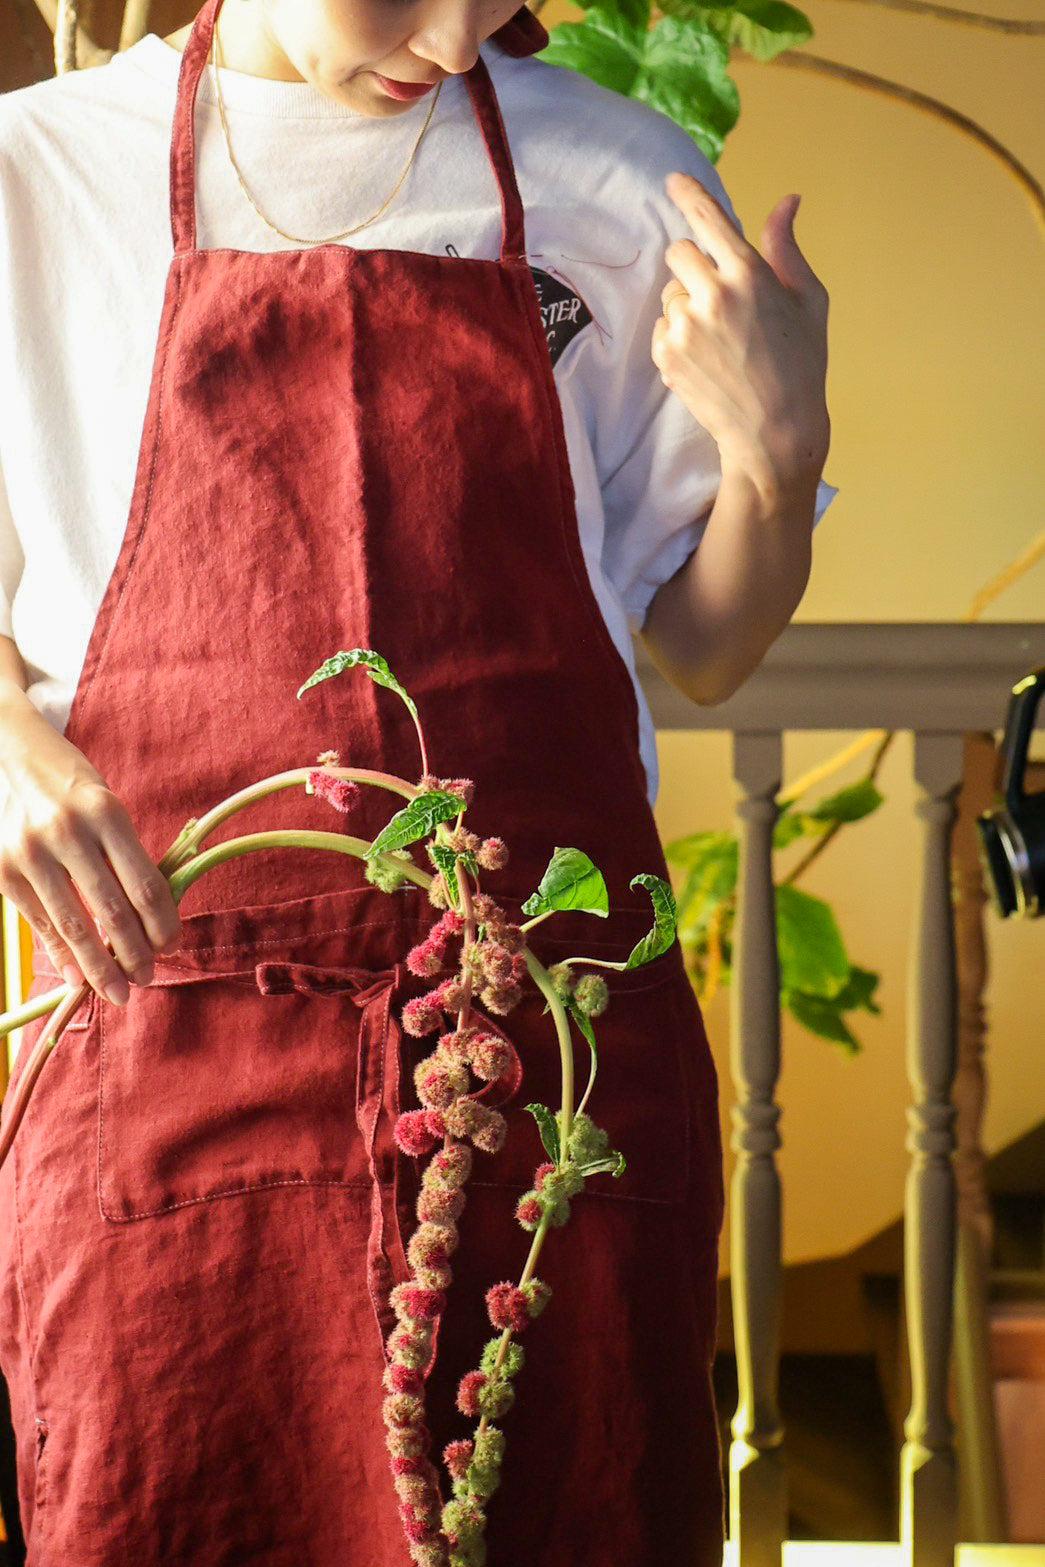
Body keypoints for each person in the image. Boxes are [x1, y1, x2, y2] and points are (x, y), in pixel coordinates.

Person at [0, 0, 834, 1561]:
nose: (455, 42)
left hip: (551, 1072)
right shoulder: (33, 180)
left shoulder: (625, 183)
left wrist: (777, 455)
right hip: (175, 1046)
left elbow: (707, 646)